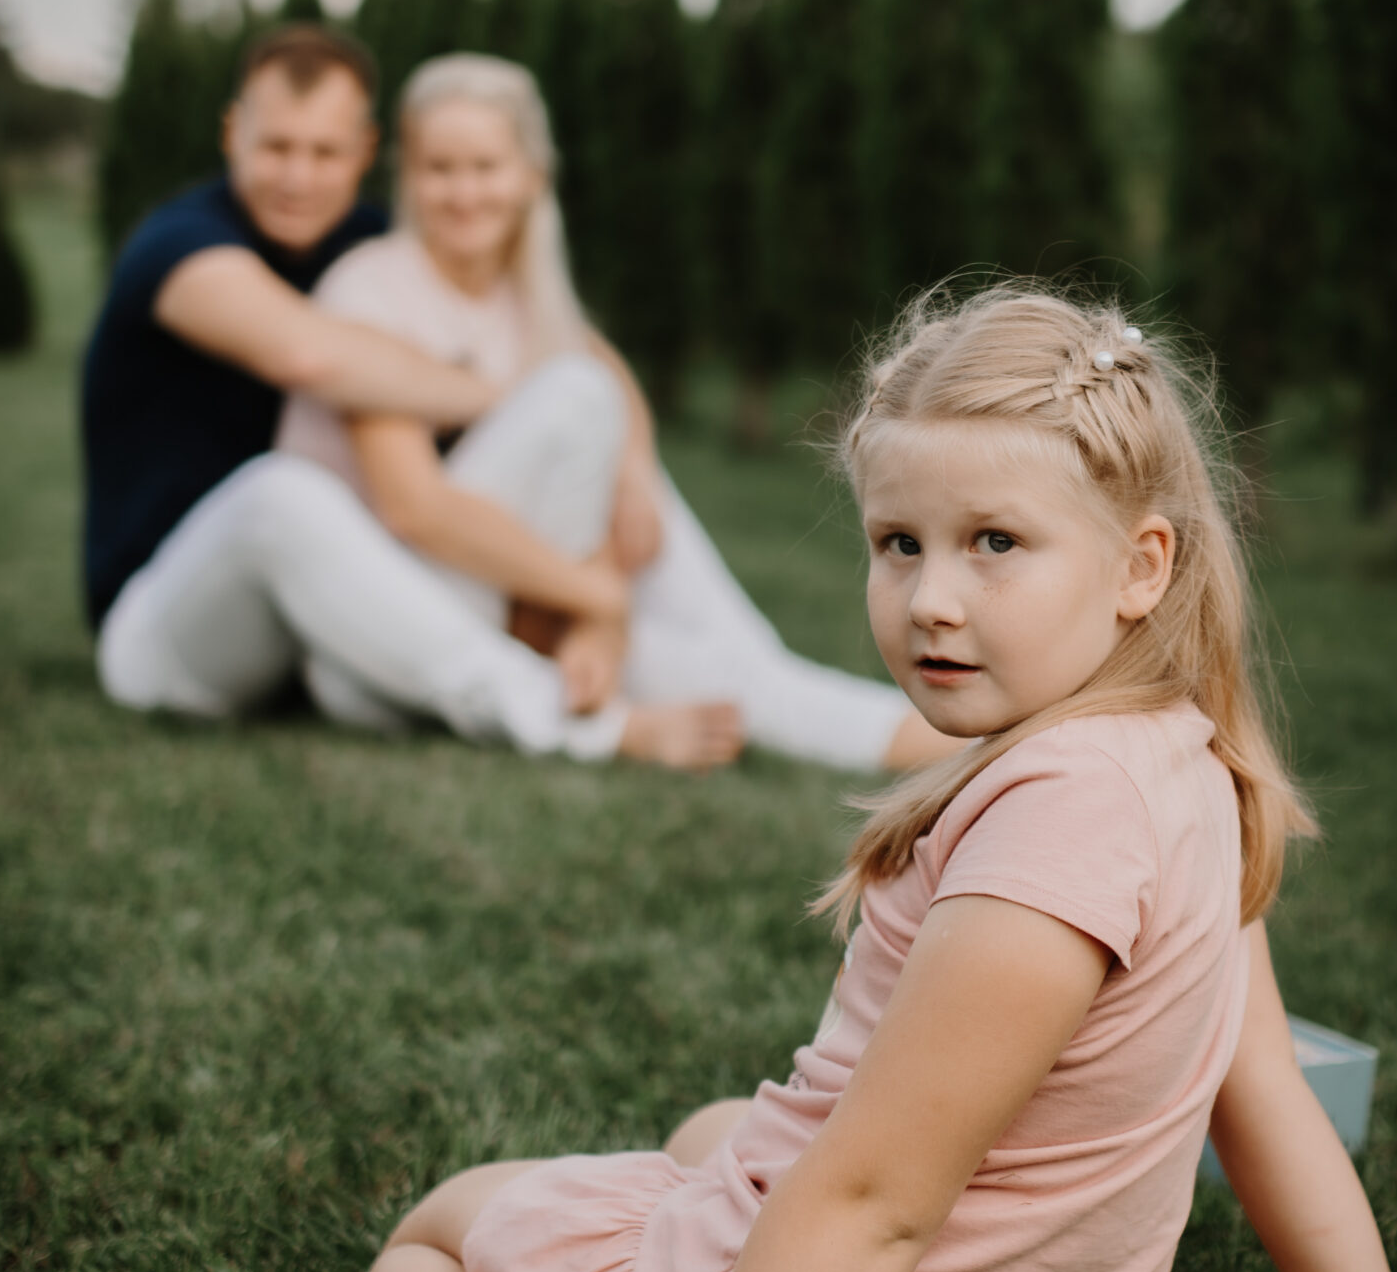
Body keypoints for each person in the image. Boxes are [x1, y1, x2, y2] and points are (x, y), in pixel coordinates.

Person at [356, 287, 1397, 1272]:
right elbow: (1256, 1080)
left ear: (1140, 566)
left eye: (993, 543)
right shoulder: (1183, 755)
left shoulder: (1057, 825)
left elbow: (866, 1210)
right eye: (897, 543)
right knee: (711, 1132)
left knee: (424, 1249)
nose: (931, 601)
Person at [275, 53, 954, 774]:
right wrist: (599, 603)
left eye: (485, 167)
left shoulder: (530, 303)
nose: (463, 192)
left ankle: (963, 744)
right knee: (576, 394)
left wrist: (628, 477)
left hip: (508, 599)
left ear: (532, 176)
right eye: (439, 169)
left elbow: (607, 380)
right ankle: (942, 737)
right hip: (382, 632)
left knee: (720, 672)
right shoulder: (369, 289)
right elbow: (414, 509)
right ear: (406, 178)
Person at [83, 23, 734, 768]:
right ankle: (584, 726)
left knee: (325, 515)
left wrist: (632, 463)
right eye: (276, 147)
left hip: (305, 631)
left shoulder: (366, 239)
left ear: (365, 152)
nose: (298, 176)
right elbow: (308, 355)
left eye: (325, 152)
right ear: (233, 134)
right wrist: (509, 392)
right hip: (173, 623)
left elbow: (589, 355)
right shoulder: (179, 246)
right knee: (279, 494)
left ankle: (708, 675)